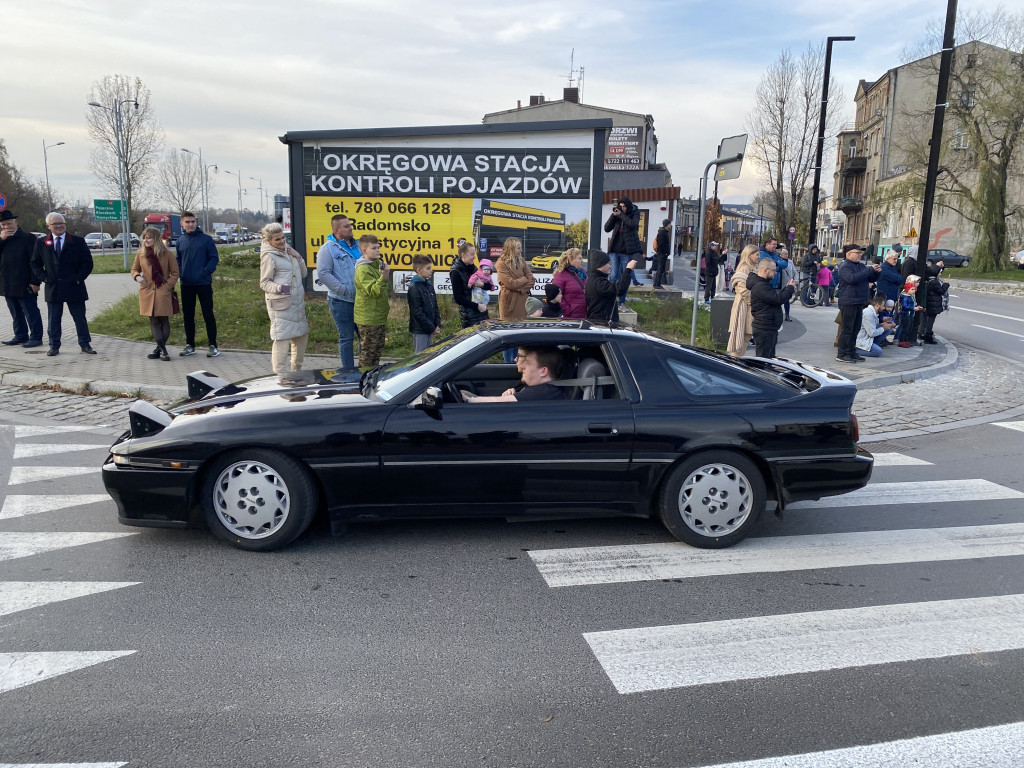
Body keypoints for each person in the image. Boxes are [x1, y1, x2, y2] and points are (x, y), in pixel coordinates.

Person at [29, 212, 96, 356]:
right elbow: (34, 263)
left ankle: (85, 344)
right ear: (48, 226)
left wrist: (78, 278)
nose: (59, 226)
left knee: (79, 318)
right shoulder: (42, 242)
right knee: (54, 319)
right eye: (55, 224)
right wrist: (45, 277)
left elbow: (87, 262)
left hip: (74, 286)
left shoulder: (77, 241)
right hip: (54, 287)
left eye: (62, 223)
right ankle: (54, 346)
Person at [259, 222, 308, 376]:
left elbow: (304, 274)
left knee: (301, 338)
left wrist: (299, 258)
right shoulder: (269, 257)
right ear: (269, 241)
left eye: (283, 238)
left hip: (297, 304)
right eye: (277, 240)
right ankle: (279, 376)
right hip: (281, 306)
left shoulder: (289, 252)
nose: (281, 241)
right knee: (282, 340)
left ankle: (296, 374)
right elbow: (264, 283)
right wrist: (280, 288)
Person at [316, 214, 360, 371]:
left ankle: (364, 371)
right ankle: (348, 374)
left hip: (362, 301)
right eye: (346, 226)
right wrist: (343, 290)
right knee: (347, 338)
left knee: (366, 337)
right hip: (341, 301)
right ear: (336, 230)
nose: (350, 228)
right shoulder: (327, 249)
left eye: (350, 225)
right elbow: (323, 273)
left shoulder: (358, 245)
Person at [130, 226, 180, 361]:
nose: (146, 240)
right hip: (147, 291)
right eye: (144, 237)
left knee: (163, 319)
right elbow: (134, 269)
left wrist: (167, 286)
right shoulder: (141, 253)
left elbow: (175, 273)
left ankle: (160, 349)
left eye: (149, 237)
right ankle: (162, 349)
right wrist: (138, 278)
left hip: (162, 291)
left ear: (156, 239)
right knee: (153, 320)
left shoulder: (167, 254)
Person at [175, 211, 220, 358]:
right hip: (186, 284)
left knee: (208, 314)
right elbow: (178, 260)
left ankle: (213, 345)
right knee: (188, 315)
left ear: (196, 222)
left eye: (193, 221)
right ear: (182, 223)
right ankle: (190, 345)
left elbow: (214, 258)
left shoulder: (206, 240)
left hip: (203, 283)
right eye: (187, 222)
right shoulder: (180, 241)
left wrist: (205, 272)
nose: (190, 224)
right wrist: (181, 273)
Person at [0, 209, 44, 347]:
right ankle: (20, 335)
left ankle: (36, 337)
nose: (7, 227)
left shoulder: (28, 238)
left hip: (25, 283)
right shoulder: (2, 239)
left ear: (16, 222)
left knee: (30, 311)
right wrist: (1, 240)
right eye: (4, 225)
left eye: (9, 224)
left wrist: (35, 281)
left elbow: (36, 261)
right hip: (7, 283)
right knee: (15, 312)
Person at [461, 346, 565, 402]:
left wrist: (469, 400)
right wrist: (515, 393)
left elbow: (499, 401)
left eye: (527, 363)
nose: (522, 366)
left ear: (543, 371)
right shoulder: (540, 389)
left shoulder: (546, 392)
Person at [834, 243, 881, 364]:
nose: (860, 255)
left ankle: (851, 352)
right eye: (858, 253)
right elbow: (852, 279)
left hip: (859, 301)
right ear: (849, 254)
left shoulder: (860, 266)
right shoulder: (845, 266)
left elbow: (870, 278)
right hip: (849, 301)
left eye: (861, 253)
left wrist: (876, 272)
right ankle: (842, 353)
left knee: (855, 329)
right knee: (847, 329)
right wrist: (869, 270)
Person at [354, 234, 390, 369]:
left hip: (378, 316)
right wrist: (384, 276)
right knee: (368, 354)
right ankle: (362, 381)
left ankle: (372, 379)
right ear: (364, 251)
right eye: (374, 248)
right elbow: (374, 291)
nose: (378, 250)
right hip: (368, 318)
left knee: (376, 351)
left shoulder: (375, 265)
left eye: (378, 247)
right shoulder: (363, 269)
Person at [495, 237, 534, 361]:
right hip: (509, 304)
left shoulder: (521, 261)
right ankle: (508, 365)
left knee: (520, 336)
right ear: (511, 248)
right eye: (518, 248)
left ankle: (519, 363)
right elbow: (510, 283)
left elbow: (532, 280)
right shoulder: (501, 263)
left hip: (522, 301)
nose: (521, 251)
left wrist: (521, 288)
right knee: (508, 336)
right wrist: (523, 280)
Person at [747, 258, 795, 359]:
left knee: (769, 359)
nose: (776, 273)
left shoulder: (763, 284)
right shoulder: (760, 286)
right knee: (763, 361)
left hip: (769, 328)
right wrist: (790, 289)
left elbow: (774, 298)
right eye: (773, 270)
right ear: (765, 270)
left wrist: (786, 288)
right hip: (764, 328)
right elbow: (777, 299)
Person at [603, 197, 642, 307]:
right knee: (613, 276)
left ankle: (622, 302)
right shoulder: (618, 214)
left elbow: (632, 224)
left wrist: (620, 215)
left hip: (626, 251)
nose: (623, 208)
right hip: (614, 250)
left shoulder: (635, 212)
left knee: (624, 276)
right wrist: (613, 215)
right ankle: (610, 301)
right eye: (621, 206)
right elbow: (606, 228)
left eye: (624, 206)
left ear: (628, 206)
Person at [726, 244, 761, 357]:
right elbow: (742, 289)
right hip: (744, 306)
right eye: (757, 254)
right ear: (749, 255)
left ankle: (736, 361)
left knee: (746, 336)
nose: (759, 256)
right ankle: (734, 363)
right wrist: (755, 302)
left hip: (749, 305)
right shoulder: (744, 267)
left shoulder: (754, 267)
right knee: (741, 337)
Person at [585, 250, 636, 324]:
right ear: (600, 265)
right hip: (602, 323)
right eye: (608, 263)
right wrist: (628, 270)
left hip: (600, 321)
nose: (610, 266)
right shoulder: (598, 282)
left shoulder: (595, 279)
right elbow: (619, 289)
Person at [407, 254, 441, 353]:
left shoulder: (429, 286)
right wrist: (431, 327)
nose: (431, 270)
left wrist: (436, 324)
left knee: (428, 358)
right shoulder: (414, 288)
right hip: (420, 330)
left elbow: (435, 307)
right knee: (420, 358)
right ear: (419, 270)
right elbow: (417, 312)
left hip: (430, 329)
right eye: (428, 268)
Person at [450, 241, 487, 328]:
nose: (474, 257)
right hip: (469, 315)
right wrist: (477, 306)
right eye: (472, 254)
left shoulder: (473, 268)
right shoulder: (455, 272)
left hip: (481, 311)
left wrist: (481, 284)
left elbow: (486, 286)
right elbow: (458, 298)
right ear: (463, 255)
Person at [551, 248, 587, 319]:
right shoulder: (561, 274)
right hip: (570, 317)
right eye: (579, 259)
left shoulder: (583, 273)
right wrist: (567, 311)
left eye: (582, 258)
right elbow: (555, 295)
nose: (582, 261)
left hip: (584, 315)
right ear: (571, 260)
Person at [856, 293, 895, 358]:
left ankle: (873, 345)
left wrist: (881, 325)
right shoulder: (869, 314)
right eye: (882, 306)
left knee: (888, 329)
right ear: (877, 305)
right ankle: (855, 350)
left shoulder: (874, 312)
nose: (883, 308)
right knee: (878, 352)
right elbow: (872, 333)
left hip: (867, 337)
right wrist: (883, 328)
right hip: (861, 340)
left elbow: (872, 326)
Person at [921, 271, 950, 344]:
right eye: (939, 272)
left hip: (930, 304)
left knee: (927, 320)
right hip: (932, 305)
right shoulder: (934, 282)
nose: (940, 274)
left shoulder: (930, 280)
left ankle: (925, 334)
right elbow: (941, 291)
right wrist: (946, 284)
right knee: (930, 321)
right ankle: (928, 336)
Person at [897, 277, 924, 348]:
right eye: (912, 289)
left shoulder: (910, 296)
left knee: (909, 328)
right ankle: (902, 341)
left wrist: (917, 307)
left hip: (910, 314)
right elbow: (905, 306)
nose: (913, 291)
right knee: (905, 328)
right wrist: (913, 308)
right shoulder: (906, 297)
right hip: (906, 314)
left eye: (914, 289)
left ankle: (905, 340)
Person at [775, 247, 796, 320]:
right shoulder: (778, 261)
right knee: (778, 300)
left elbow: (793, 271)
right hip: (780, 283)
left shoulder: (790, 262)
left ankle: (787, 315)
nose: (786, 255)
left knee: (786, 300)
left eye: (787, 254)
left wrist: (793, 279)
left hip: (788, 282)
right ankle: (777, 315)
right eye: (785, 254)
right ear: (781, 255)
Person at [652, 218, 671, 289]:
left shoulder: (664, 232)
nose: (670, 226)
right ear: (666, 225)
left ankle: (657, 283)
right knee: (660, 269)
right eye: (669, 224)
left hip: (662, 253)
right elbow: (661, 244)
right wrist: (665, 252)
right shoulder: (662, 233)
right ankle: (657, 284)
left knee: (661, 269)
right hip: (662, 254)